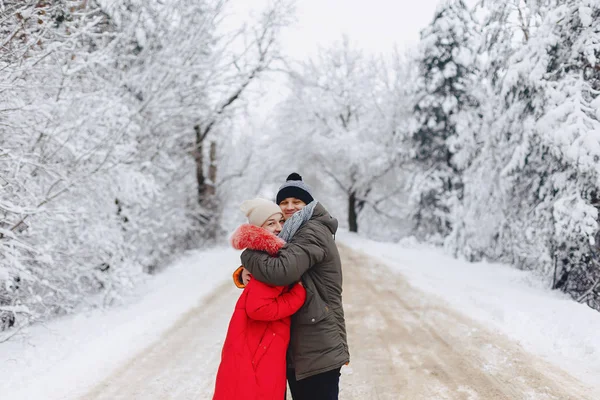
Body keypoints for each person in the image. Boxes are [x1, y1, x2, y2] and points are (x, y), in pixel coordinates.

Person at [240, 173, 350, 400]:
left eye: (296, 202)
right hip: (302, 343)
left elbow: (282, 270)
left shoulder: (312, 230)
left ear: (308, 204)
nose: (289, 207)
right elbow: (273, 268)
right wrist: (243, 273)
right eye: (284, 202)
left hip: (317, 343)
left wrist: (248, 254)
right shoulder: (291, 233)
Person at [213, 198, 306, 400]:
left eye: (280, 221)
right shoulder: (269, 256)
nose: (279, 228)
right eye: (271, 223)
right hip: (260, 343)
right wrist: (297, 296)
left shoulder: (266, 253)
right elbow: (258, 308)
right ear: (258, 228)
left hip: (261, 339)